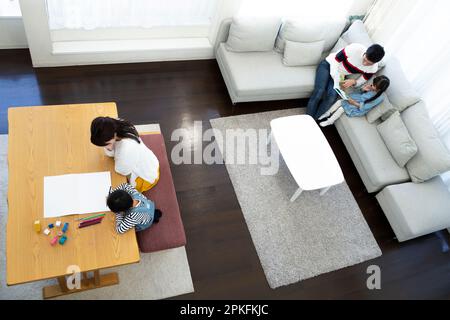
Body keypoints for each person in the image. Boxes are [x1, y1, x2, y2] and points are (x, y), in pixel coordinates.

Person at [307, 43, 385, 120]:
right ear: (365, 52)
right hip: (328, 65)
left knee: (331, 97)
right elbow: (335, 61)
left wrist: (354, 81)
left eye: (369, 63)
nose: (364, 63)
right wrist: (336, 78)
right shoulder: (355, 48)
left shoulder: (373, 68)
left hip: (339, 75)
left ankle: (313, 121)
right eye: (365, 59)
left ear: (375, 63)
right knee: (319, 91)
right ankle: (307, 119)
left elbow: (362, 81)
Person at [91, 117, 160, 193]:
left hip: (144, 177)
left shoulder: (126, 148)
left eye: (107, 144)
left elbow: (121, 170)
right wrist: (110, 146)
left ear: (114, 135)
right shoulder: (117, 124)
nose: (105, 146)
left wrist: (110, 149)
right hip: (149, 161)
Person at [318, 75, 390, 127]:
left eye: (374, 86)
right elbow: (358, 92)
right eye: (373, 84)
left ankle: (330, 121)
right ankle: (327, 113)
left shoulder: (379, 98)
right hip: (354, 99)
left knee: (341, 109)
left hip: (359, 107)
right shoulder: (371, 87)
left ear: (380, 89)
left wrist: (353, 103)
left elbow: (365, 107)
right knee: (339, 102)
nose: (372, 86)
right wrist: (363, 89)